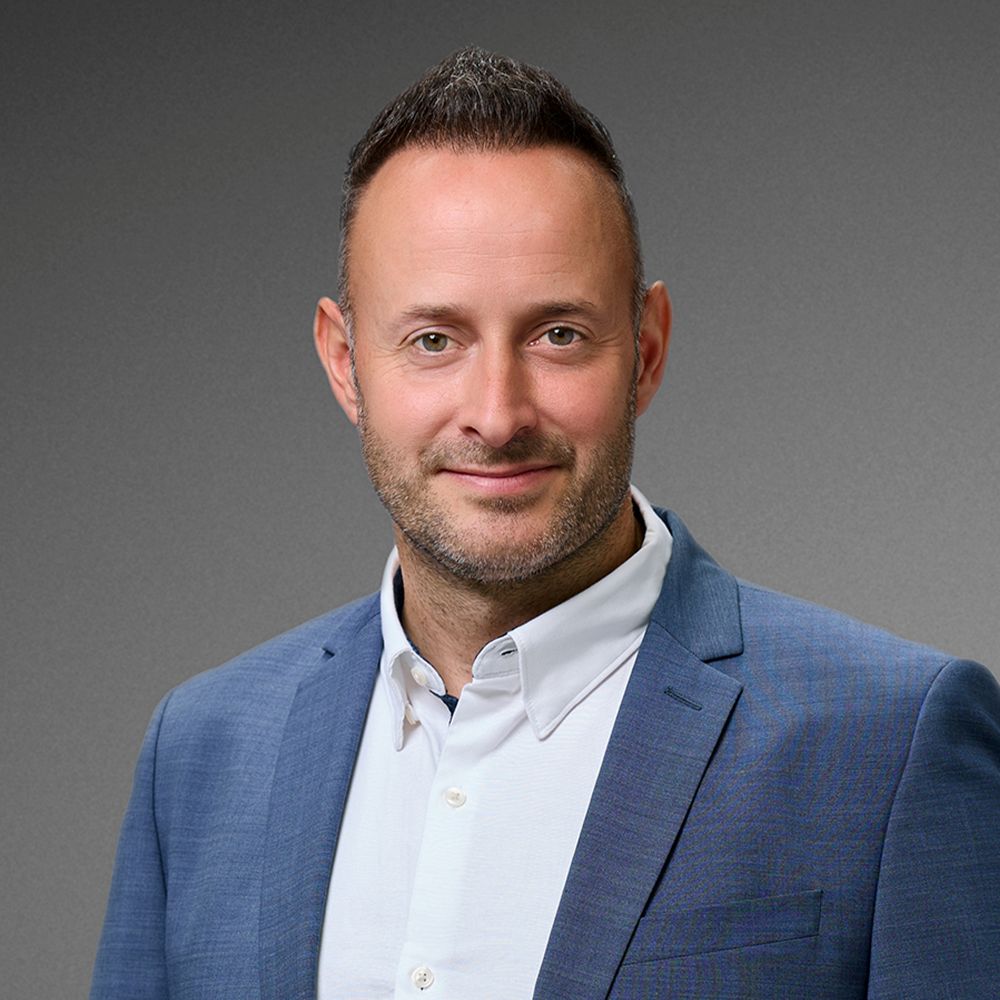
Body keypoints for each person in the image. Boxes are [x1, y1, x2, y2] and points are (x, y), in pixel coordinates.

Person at [91, 47, 1000, 1000]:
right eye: (433, 340)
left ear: (646, 350)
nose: (497, 414)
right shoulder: (201, 751)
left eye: (558, 335)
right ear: (344, 363)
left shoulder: (891, 743)